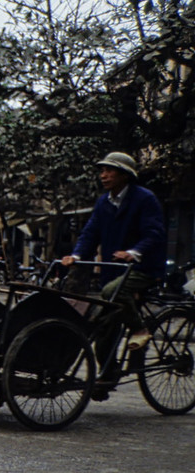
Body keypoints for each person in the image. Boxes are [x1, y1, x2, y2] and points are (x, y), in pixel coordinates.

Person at [61, 152, 165, 366]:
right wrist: (76, 255)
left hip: (143, 268)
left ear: (125, 175)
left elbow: (154, 233)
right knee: (103, 323)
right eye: (102, 171)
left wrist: (133, 252)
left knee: (111, 292)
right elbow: (90, 233)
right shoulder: (103, 203)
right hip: (114, 271)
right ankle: (107, 375)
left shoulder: (144, 199)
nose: (104, 175)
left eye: (110, 171)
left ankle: (139, 328)